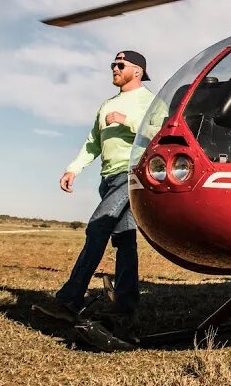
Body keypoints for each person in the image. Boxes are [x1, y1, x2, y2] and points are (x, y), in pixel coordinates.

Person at [32, 50, 155, 340]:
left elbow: (159, 132)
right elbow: (92, 144)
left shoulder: (149, 102)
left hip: (131, 174)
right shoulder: (107, 104)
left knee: (97, 227)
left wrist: (127, 121)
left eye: (120, 64)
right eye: (113, 63)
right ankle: (125, 306)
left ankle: (69, 300)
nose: (114, 67)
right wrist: (73, 169)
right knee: (125, 242)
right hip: (108, 177)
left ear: (137, 71)